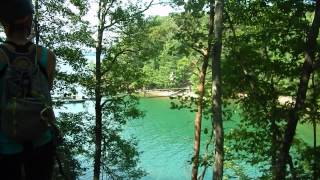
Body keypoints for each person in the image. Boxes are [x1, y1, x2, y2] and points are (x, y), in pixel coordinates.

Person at [0, 0, 57, 179]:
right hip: (42, 141)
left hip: (5, 146)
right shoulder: (47, 56)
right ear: (29, 20)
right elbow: (46, 90)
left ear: (4, 23)